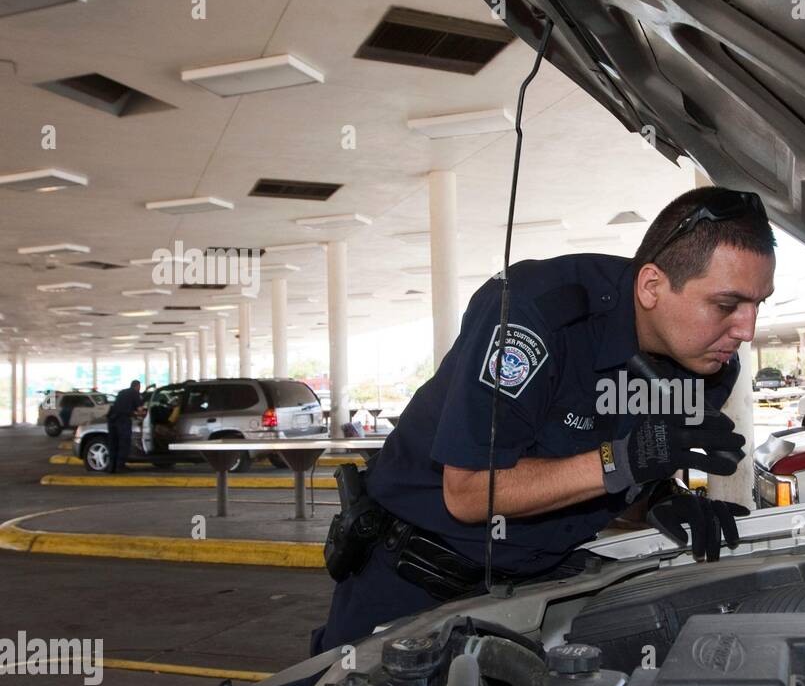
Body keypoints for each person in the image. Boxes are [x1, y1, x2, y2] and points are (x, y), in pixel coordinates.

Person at [311, 186, 776, 655]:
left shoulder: (706, 365)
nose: (746, 330)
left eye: (758, 304)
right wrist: (626, 460)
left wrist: (656, 499)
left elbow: (604, 479)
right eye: (725, 305)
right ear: (652, 286)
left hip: (538, 593)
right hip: (411, 586)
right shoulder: (536, 315)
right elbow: (470, 492)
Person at [105, 379, 144, 474]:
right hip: (123, 420)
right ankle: (120, 467)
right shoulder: (135, 393)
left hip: (112, 420)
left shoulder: (122, 392)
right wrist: (142, 414)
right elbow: (140, 409)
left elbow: (118, 405)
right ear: (138, 386)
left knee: (113, 444)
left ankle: (111, 467)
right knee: (124, 443)